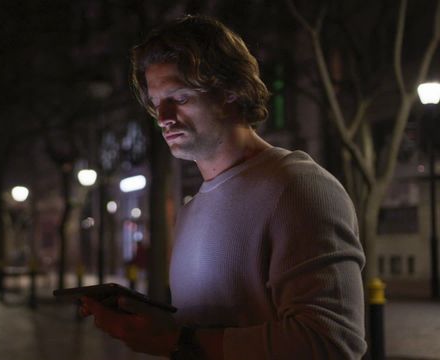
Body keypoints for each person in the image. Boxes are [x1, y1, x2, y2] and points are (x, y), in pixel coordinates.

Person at [80, 15, 366, 359]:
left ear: (231, 90)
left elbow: (331, 342)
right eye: (157, 104)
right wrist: (149, 324)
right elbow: (210, 325)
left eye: (180, 97)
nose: (164, 117)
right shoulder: (191, 210)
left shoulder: (298, 187)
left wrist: (174, 342)